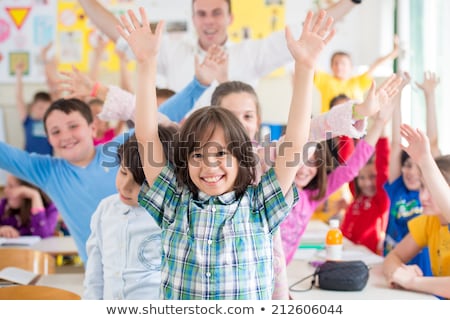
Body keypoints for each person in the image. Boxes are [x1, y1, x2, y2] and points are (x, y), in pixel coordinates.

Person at [119, 7, 334, 299]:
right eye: (197, 155)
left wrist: (306, 68)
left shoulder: (260, 205)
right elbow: (146, 136)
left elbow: (295, 142)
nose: (209, 166)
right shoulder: (173, 202)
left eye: (221, 154)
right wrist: (146, 63)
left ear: (241, 157)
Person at [78, 0, 362, 110]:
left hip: (235, 159)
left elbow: (307, 30)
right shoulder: (173, 51)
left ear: (230, 17)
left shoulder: (251, 53)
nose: (209, 21)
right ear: (193, 18)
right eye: (201, 14)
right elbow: (118, 31)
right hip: (181, 155)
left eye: (216, 13)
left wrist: (351, 2)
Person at [279, 75, 402, 265]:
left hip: (279, 275)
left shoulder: (312, 197)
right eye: (298, 160)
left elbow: (351, 168)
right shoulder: (273, 188)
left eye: (312, 161)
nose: (304, 169)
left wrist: (378, 124)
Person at [83, 128, 176, 300]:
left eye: (141, 182)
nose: (125, 186)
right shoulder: (106, 208)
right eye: (123, 172)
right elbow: (94, 275)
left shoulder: (172, 215)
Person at [382, 124, 450, 299]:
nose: (423, 197)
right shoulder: (429, 222)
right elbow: (392, 257)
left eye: (432, 190)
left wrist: (412, 282)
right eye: (422, 187)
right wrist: (397, 272)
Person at [383, 72, 438, 276]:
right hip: (393, 260)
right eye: (407, 165)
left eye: (418, 167)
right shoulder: (398, 186)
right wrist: (398, 95)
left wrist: (429, 96)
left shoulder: (431, 195)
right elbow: (396, 143)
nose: (411, 172)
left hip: (422, 265)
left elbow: (432, 143)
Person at [314, 35, 399, 113]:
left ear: (350, 66)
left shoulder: (358, 81)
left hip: (354, 126)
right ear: (331, 66)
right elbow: (312, 65)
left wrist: (393, 53)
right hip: (328, 127)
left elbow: (375, 64)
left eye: (343, 63)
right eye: (336, 63)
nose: (339, 66)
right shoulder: (325, 80)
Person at [340, 123, 390, 254]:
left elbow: (383, 163)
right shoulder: (357, 194)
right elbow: (348, 162)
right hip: (347, 252)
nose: (367, 182)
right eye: (361, 178)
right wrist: (347, 127)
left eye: (372, 177)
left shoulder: (381, 200)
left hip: (369, 259)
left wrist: (382, 124)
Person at [0, 174, 58, 238]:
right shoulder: (3, 205)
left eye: (11, 186)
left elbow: (42, 235)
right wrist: (1, 230)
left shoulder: (50, 208)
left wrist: (34, 195)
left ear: (26, 190)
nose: (6, 190)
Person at [15, 62, 53, 155]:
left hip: (47, 161)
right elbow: (19, 97)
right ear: (33, 107)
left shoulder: (50, 122)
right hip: (28, 160)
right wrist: (19, 74)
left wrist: (48, 66)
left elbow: (54, 89)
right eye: (40, 108)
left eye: (47, 109)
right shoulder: (28, 120)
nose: (44, 112)